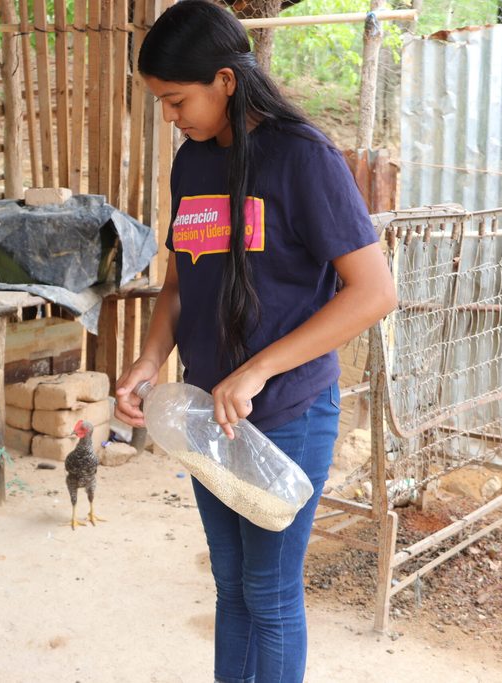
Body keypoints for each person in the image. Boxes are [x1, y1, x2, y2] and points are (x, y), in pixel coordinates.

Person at [113, 2, 397, 682]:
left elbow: (374, 291)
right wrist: (150, 360)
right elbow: (180, 280)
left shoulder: (305, 158)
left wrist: (259, 369)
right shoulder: (192, 165)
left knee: (268, 594)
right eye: (162, 102)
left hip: (287, 415)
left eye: (177, 100)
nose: (171, 116)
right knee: (231, 585)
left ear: (226, 82)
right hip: (210, 419)